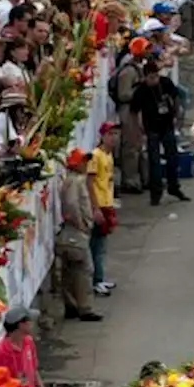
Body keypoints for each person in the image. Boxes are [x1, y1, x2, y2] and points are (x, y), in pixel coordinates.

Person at [131, 61, 190, 206]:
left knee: (172, 158)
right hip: (151, 128)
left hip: (167, 124)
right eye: (151, 78)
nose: (154, 80)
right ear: (145, 77)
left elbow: (175, 98)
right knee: (154, 162)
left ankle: (174, 187)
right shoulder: (141, 90)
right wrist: (140, 129)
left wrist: (177, 115)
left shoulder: (165, 83)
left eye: (156, 76)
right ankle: (156, 193)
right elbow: (136, 112)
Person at [57, 149, 102, 322]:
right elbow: (71, 205)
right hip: (76, 233)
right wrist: (81, 224)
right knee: (84, 270)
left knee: (69, 272)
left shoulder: (69, 180)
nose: (86, 164)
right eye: (83, 161)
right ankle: (85, 308)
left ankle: (71, 305)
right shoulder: (75, 182)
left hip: (69, 233)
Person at [114, 38, 149, 193]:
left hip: (136, 110)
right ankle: (130, 181)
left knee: (138, 146)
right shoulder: (128, 71)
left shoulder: (137, 67)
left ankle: (140, 178)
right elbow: (123, 94)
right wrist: (139, 90)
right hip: (128, 111)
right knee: (130, 147)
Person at [88, 121, 119, 296]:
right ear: (102, 136)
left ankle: (100, 278)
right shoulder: (96, 156)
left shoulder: (108, 155)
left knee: (102, 245)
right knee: (97, 246)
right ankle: (96, 281)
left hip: (106, 203)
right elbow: (90, 182)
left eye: (115, 134)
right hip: (99, 205)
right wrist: (95, 208)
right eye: (110, 134)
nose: (114, 137)